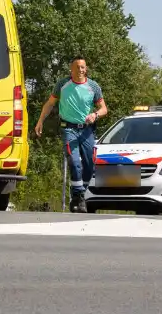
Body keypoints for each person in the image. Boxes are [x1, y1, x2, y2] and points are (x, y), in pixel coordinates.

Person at [34, 55, 108, 213]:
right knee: (74, 163)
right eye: (77, 67)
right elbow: (49, 104)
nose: (80, 70)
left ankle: (80, 194)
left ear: (86, 69)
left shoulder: (93, 86)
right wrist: (40, 121)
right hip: (69, 129)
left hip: (87, 130)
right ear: (71, 69)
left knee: (89, 165)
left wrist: (95, 115)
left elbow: (104, 108)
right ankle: (77, 198)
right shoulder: (62, 84)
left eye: (83, 67)